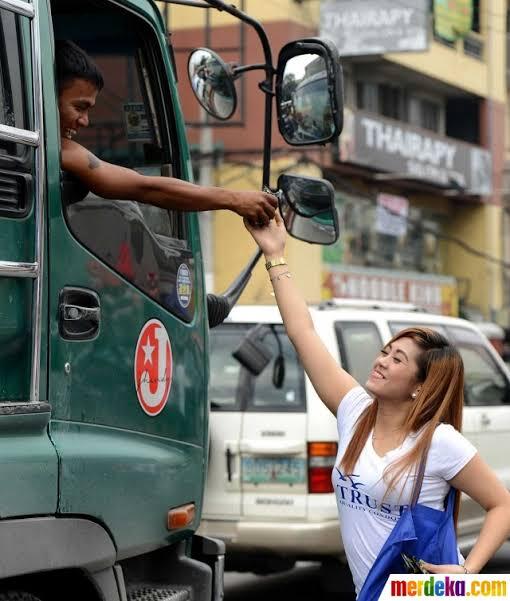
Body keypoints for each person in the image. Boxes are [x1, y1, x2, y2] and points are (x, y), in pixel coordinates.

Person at [245, 213, 510, 596]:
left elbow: (502, 505)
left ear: (421, 386)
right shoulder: (354, 411)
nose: (381, 360)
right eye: (385, 351)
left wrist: (466, 574)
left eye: (397, 359)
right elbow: (303, 332)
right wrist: (275, 255)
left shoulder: (439, 442)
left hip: (420, 594)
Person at [56, 40, 277, 225]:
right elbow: (146, 188)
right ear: (47, 97)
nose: (85, 121)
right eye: (79, 107)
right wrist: (233, 199)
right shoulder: (61, 150)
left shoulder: (57, 150)